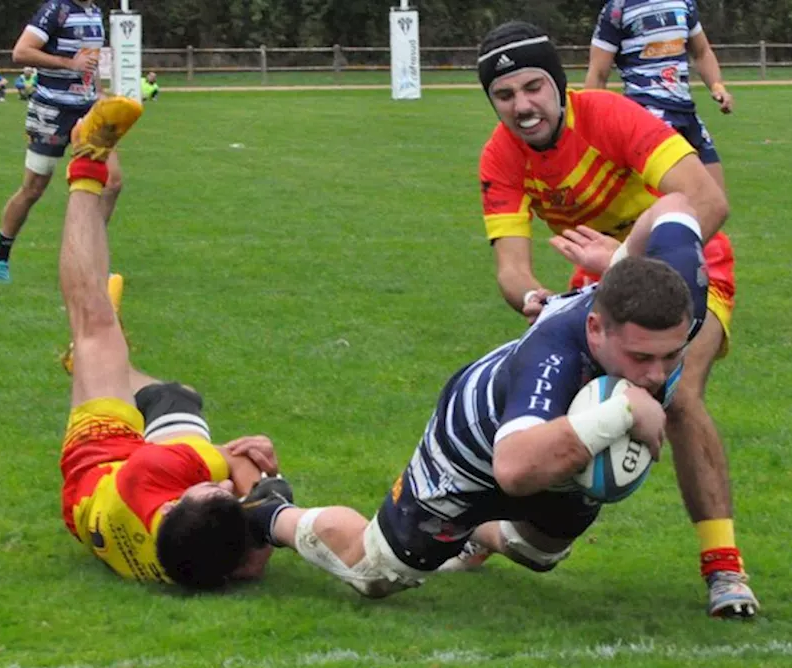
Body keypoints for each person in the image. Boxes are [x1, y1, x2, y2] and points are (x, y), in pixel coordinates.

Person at [247, 194, 755, 617]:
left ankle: (475, 533)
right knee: (375, 572)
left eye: (670, 356)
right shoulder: (553, 352)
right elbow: (512, 468)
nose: (656, 374)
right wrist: (623, 411)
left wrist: (622, 263)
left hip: (551, 447)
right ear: (596, 328)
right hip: (469, 449)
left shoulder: (679, 294)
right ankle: (269, 514)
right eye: (641, 357)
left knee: (539, 552)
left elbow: (676, 202)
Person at [473, 21, 756, 617]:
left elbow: (707, 201)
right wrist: (538, 304)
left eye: (533, 88)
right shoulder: (501, 156)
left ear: (558, 84)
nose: (523, 106)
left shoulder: (610, 116)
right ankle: (495, 532)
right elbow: (511, 271)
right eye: (505, 96)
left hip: (685, 262)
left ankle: (725, 569)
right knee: (540, 400)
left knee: (677, 396)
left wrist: (623, 260)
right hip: (599, 283)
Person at [56, 96, 290, 588]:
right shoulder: (195, 559)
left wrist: (268, 490)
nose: (221, 486)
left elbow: (237, 461)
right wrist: (244, 509)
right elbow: (245, 559)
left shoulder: (152, 474)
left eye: (210, 491)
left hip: (100, 455)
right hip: (104, 514)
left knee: (93, 320)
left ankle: (84, 160)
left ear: (175, 498)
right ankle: (96, 362)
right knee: (175, 398)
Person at [0, 0, 115, 284]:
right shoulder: (56, 10)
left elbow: (90, 63)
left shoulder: (94, 12)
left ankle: (91, 260)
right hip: (52, 110)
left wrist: (100, 92)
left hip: (89, 109)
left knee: (111, 183)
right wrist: (70, 63)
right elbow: (21, 52)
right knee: (33, 188)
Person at [586, 0, 734, 194]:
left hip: (686, 112)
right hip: (647, 115)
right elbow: (598, 72)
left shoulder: (684, 3)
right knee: (672, 203)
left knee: (716, 202)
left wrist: (717, 86)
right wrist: (590, 129)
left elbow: (702, 52)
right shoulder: (618, 9)